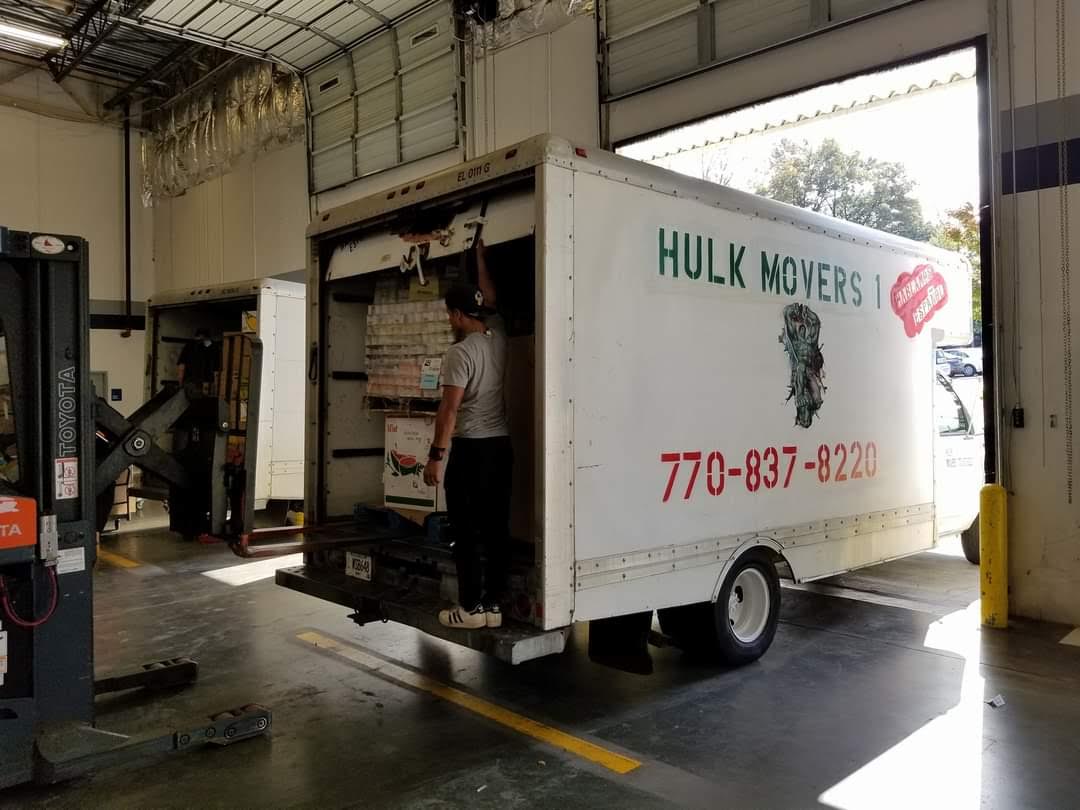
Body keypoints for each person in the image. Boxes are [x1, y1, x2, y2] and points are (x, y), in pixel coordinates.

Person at [424, 241, 513, 630]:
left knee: (467, 530)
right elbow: (489, 297)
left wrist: (435, 457)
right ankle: (492, 606)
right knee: (496, 529)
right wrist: (479, 255)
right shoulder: (500, 336)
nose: (449, 320)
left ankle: (471, 608)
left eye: (450, 314)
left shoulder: (459, 354)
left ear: (458, 314)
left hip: (472, 450)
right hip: (501, 447)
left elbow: (449, 410)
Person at [177, 327, 219, 393]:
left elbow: (181, 366)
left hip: (190, 383)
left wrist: (180, 383)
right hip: (208, 385)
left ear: (196, 336)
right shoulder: (214, 347)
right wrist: (216, 387)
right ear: (208, 337)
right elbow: (216, 370)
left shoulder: (189, 346)